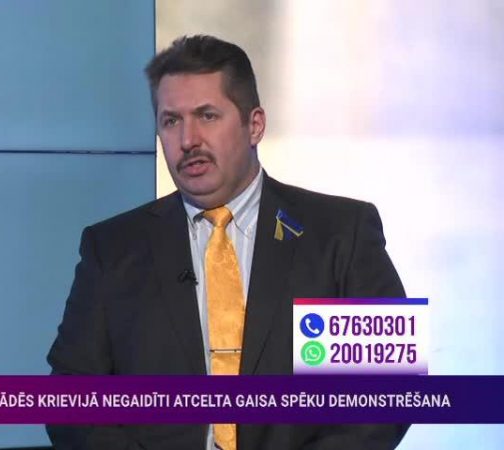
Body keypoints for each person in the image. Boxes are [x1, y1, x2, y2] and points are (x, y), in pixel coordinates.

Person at [46, 34, 408, 450]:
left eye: (207, 115)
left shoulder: (341, 234)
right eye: (171, 121)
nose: (188, 140)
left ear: (255, 125)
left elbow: (390, 390)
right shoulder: (112, 249)